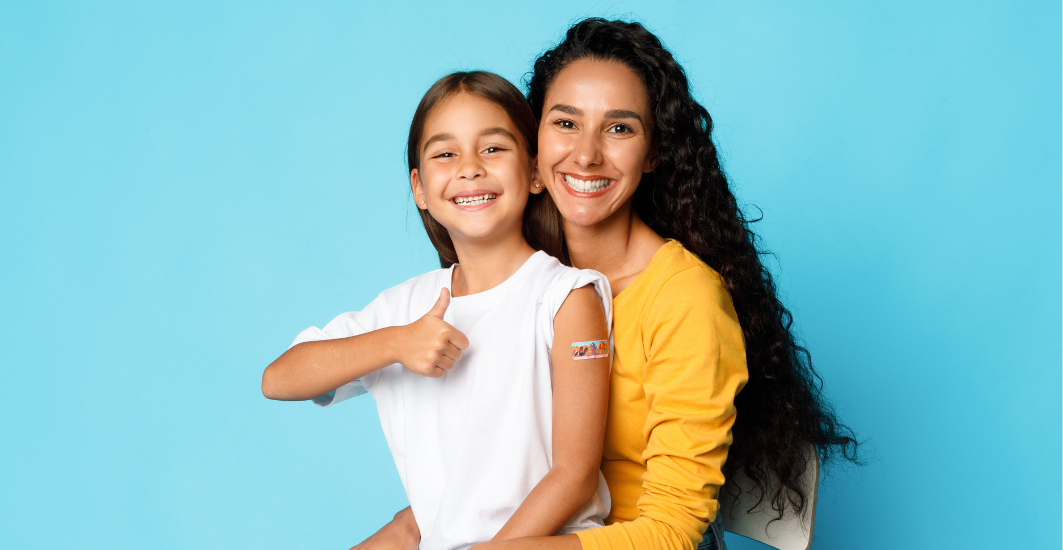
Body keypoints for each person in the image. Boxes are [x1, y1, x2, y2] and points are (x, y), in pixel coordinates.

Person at [364, 19, 860, 550]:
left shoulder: (685, 300)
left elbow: (671, 532)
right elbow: (486, 467)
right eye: (565, 123)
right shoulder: (522, 275)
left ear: (653, 153)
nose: (586, 154)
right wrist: (415, 527)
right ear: (532, 144)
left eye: (619, 128)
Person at [261, 71, 615, 549]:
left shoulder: (566, 297)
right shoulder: (404, 308)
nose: (469, 168)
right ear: (420, 188)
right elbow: (279, 379)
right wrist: (395, 343)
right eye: (445, 154)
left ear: (534, 172)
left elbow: (574, 474)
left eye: (493, 148)